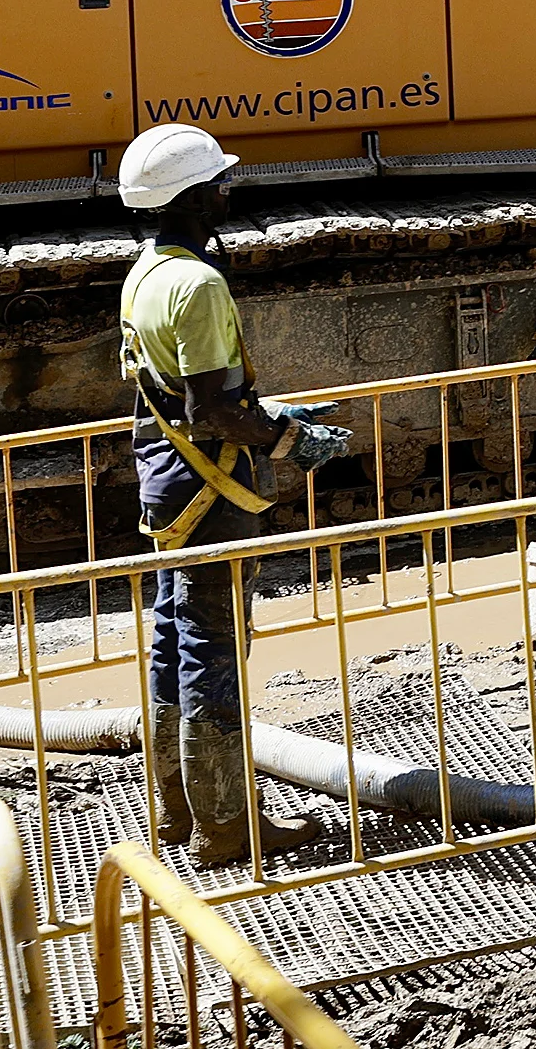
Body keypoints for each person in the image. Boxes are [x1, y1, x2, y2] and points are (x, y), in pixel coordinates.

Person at [115, 122, 356, 868]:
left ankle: (176, 816)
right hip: (210, 489)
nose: (228, 188)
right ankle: (227, 829)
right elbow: (213, 410)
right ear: (191, 196)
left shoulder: (148, 270)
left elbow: (181, 390)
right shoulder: (199, 282)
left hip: (167, 481)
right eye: (218, 180)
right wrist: (286, 439)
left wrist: (271, 410)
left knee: (172, 639)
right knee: (212, 648)